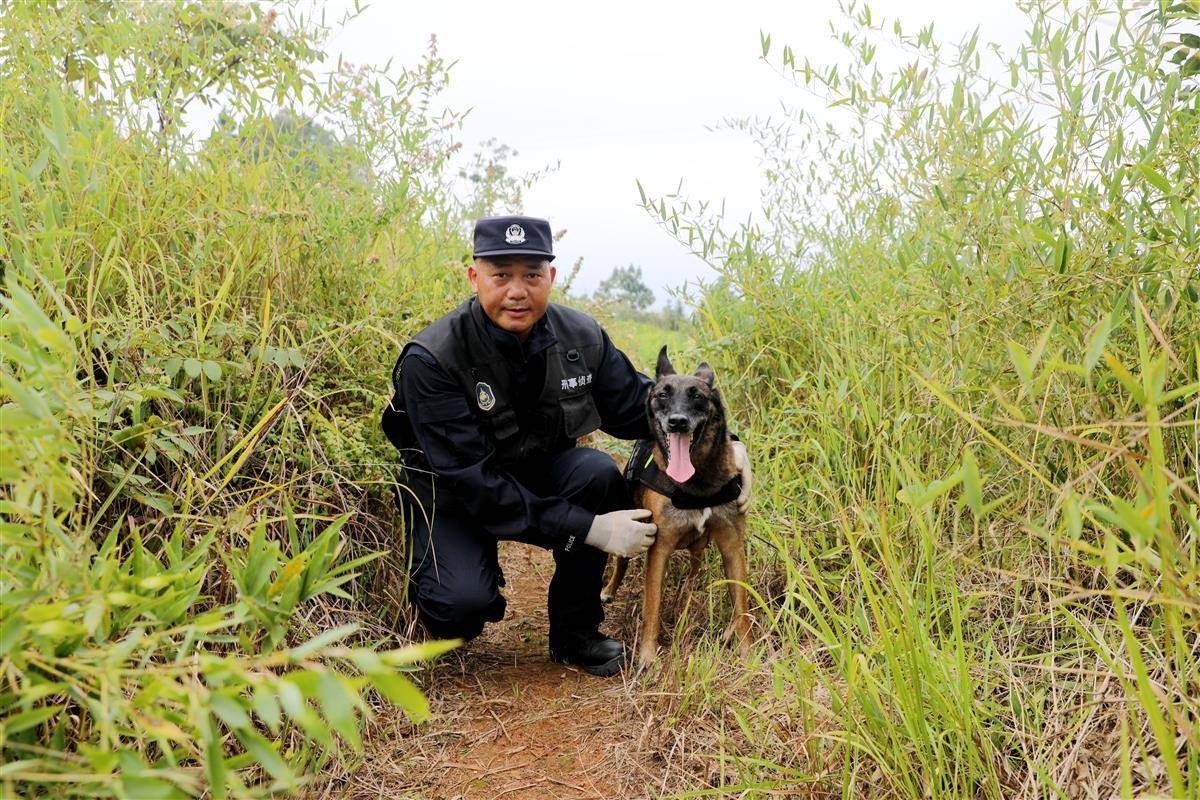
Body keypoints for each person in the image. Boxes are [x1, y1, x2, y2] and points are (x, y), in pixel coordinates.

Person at [381, 215, 752, 676]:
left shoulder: (581, 336)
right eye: (501, 275)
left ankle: (576, 633)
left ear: (551, 278)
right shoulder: (433, 358)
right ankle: (466, 570)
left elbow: (646, 405)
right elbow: (475, 482)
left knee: (597, 475)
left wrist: (729, 448)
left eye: (532, 276)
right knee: (459, 609)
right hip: (457, 495)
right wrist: (591, 529)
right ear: (474, 277)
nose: (518, 291)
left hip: (538, 472)